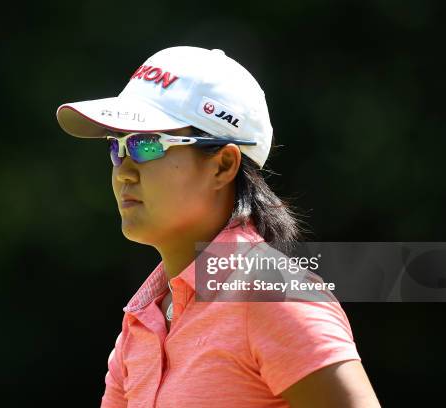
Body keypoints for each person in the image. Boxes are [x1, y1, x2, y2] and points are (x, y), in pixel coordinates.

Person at [56, 46, 380, 407]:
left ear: (223, 165)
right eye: (117, 147)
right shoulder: (142, 321)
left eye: (147, 145)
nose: (124, 171)